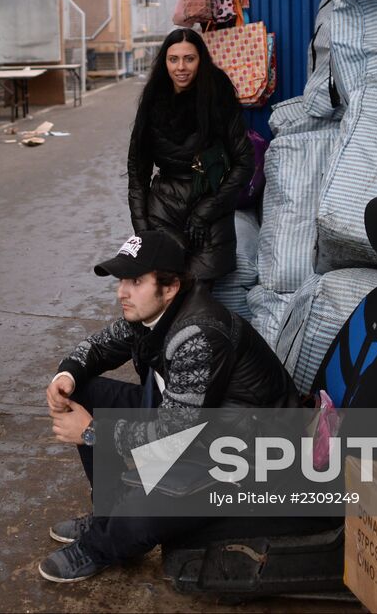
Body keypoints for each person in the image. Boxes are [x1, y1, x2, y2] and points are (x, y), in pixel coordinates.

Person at [39, 231, 299, 583]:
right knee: (84, 392)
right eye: (121, 281)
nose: (122, 292)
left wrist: (91, 432)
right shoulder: (153, 314)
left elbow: (173, 435)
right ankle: (108, 514)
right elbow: (100, 346)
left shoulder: (200, 334)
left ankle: (99, 547)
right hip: (195, 427)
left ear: (170, 286)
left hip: (246, 457)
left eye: (135, 281)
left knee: (144, 509)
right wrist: (67, 375)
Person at [127, 28, 253, 288]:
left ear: (201, 60)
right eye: (173, 59)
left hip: (210, 207)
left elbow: (244, 161)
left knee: (198, 292)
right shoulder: (153, 99)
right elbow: (137, 174)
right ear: (164, 62)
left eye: (189, 59)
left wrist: (206, 212)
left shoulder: (218, 95)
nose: (181, 67)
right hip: (163, 209)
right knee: (160, 291)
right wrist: (143, 233)